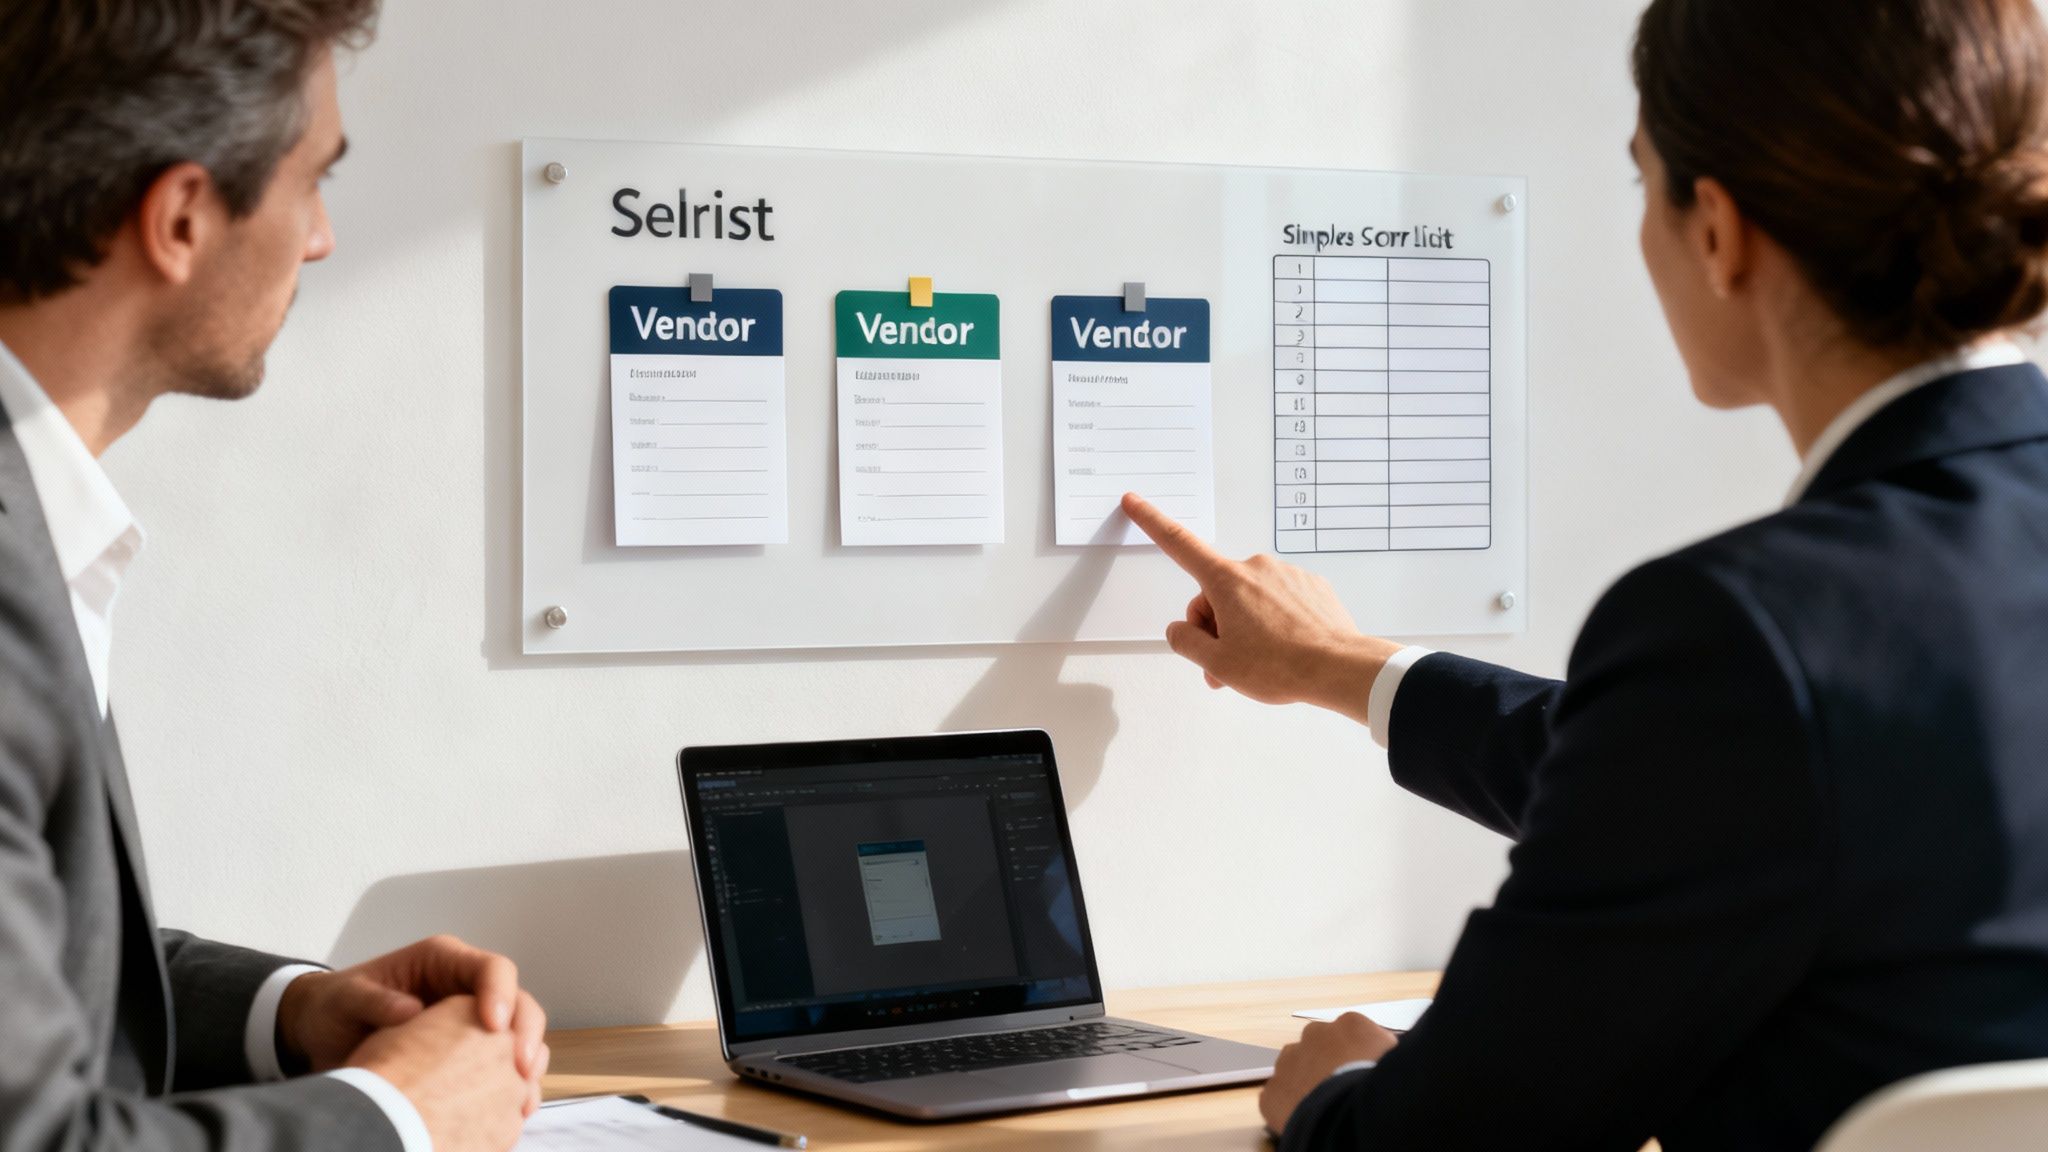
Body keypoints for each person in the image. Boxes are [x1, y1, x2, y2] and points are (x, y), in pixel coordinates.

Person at [1123, 0, 2048, 1147]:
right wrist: (1345, 668)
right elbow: (1712, 787)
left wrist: (1334, 1095)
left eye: (1636, 185)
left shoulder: (1745, 629)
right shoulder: (1785, 666)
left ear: (1716, 231)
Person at [0, 3, 544, 1150]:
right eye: (312, 181)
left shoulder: (42, 524)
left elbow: (40, 980)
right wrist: (398, 1114)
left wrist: (294, 1014)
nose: (320, 238)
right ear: (183, 216)